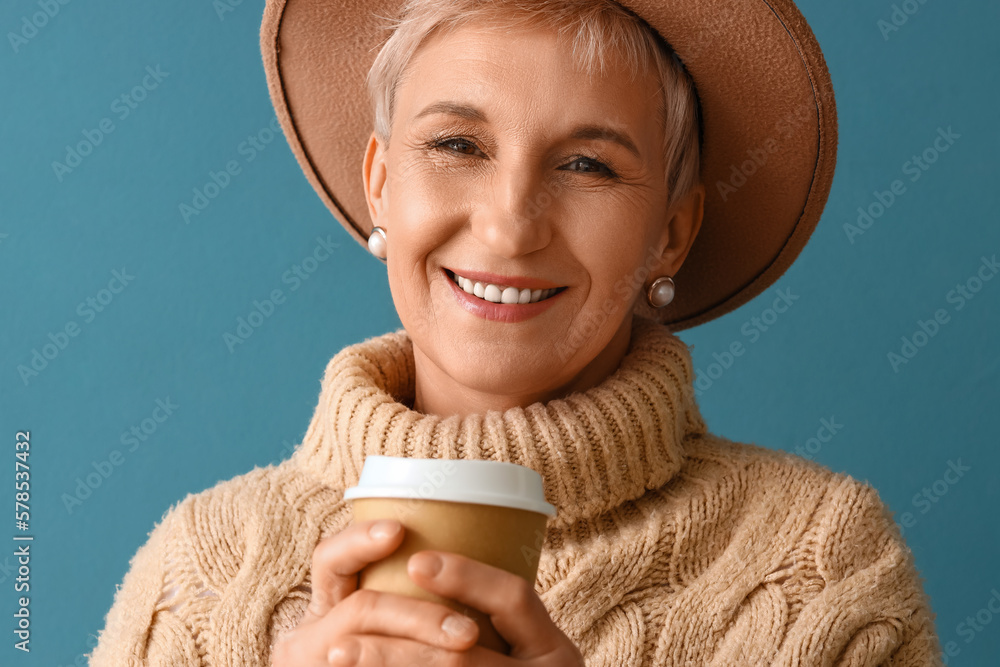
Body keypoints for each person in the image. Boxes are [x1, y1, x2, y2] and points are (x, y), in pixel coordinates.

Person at [88, 0, 944, 664]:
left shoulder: (824, 562)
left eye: (587, 165)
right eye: (458, 143)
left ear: (671, 233)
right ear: (381, 183)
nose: (508, 227)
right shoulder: (197, 577)